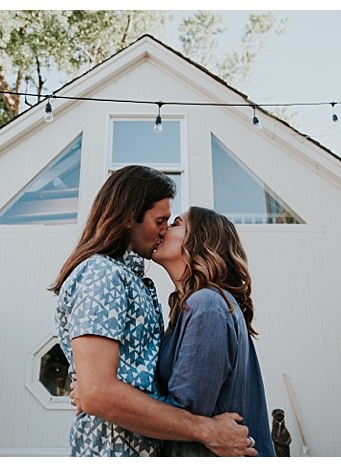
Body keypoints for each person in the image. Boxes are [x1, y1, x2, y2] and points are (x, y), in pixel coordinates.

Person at [49, 165, 256, 457]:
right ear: (129, 217)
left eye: (172, 223)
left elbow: (118, 389)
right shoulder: (102, 275)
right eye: (161, 220)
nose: (164, 230)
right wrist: (96, 393)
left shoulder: (195, 301)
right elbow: (100, 392)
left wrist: (96, 393)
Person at [151, 206, 276, 456]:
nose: (164, 229)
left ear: (199, 240)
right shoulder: (201, 305)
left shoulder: (207, 306)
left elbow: (186, 413)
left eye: (176, 224)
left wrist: (109, 398)